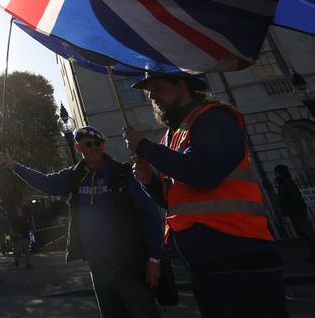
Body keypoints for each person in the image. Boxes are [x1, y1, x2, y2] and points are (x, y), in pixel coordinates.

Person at [123, 71, 287, 318]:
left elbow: (203, 174)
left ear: (181, 86)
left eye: (158, 88)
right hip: (205, 261)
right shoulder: (173, 134)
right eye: (149, 92)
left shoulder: (213, 118)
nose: (152, 96)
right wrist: (150, 181)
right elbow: (175, 200)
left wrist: (144, 146)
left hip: (239, 252)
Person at [0, 125, 163, 318]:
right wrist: (14, 166)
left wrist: (154, 258)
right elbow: (45, 182)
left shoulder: (123, 174)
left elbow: (150, 214)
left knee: (143, 312)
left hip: (129, 260)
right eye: (88, 144)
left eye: (98, 144)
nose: (94, 148)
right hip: (98, 265)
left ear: (104, 145)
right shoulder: (74, 177)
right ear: (78, 148)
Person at [274, 164, 315, 263]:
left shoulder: (288, 183)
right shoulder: (284, 183)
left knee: (309, 234)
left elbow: (295, 198)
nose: (275, 175)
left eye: (276, 173)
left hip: (296, 212)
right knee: (304, 235)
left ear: (281, 173)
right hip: (293, 212)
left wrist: (287, 206)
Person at [8, 203, 32, 269]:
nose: (20, 211)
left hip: (25, 236)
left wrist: (28, 224)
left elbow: (28, 226)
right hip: (18, 238)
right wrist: (14, 234)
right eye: (18, 210)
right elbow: (11, 229)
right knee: (18, 251)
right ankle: (16, 261)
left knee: (27, 250)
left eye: (20, 210)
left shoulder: (24, 218)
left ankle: (28, 263)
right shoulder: (14, 219)